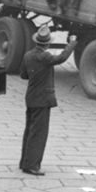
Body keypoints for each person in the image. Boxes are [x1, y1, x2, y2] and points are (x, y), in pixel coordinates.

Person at [18, 26, 78, 175]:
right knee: (39, 133)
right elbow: (62, 58)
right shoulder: (44, 57)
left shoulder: (28, 55)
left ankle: (24, 162)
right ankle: (32, 165)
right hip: (42, 99)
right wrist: (71, 43)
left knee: (29, 130)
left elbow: (23, 75)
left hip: (31, 97)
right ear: (47, 43)